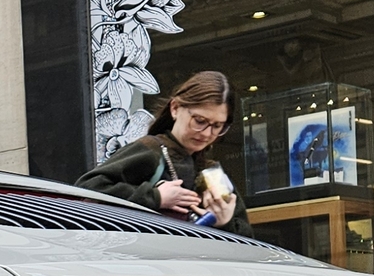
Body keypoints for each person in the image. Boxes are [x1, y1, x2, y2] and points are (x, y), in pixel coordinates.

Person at [79, 71, 248, 233]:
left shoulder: (211, 171)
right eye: (199, 121)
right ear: (175, 108)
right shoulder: (151, 150)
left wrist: (225, 223)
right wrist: (156, 197)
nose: (206, 133)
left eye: (217, 126)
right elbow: (88, 187)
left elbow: (247, 239)